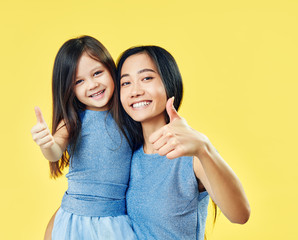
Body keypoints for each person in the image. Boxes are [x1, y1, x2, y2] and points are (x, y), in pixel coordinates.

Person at [116, 46, 251, 239]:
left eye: (146, 78)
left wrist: (204, 148)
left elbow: (240, 214)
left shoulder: (191, 154)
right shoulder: (127, 157)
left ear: (169, 84)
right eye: (126, 83)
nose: (135, 91)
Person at [31, 36, 136, 240]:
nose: (93, 84)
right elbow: (54, 152)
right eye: (79, 81)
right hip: (75, 220)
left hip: (115, 218)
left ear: (110, 70)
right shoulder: (73, 121)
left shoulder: (129, 116)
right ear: (70, 90)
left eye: (97, 73)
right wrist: (47, 144)